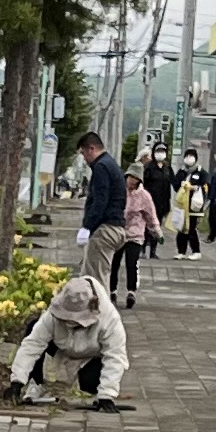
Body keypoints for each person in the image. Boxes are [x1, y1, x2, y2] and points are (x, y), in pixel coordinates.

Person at [5, 265, 131, 411]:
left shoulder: (110, 320)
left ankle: (94, 388)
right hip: (60, 348)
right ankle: (36, 383)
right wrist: (17, 381)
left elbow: (115, 356)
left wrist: (107, 395)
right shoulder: (52, 315)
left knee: (90, 383)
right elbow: (32, 344)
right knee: (33, 327)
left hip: (91, 357)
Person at [75, 128, 129, 304]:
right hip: (117, 228)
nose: (84, 158)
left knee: (94, 281)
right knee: (100, 275)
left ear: (91, 149)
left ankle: (102, 314)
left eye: (84, 153)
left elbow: (100, 201)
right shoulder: (112, 165)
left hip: (105, 229)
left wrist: (87, 227)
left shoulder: (101, 167)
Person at [112, 170, 157, 309]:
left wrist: (156, 231)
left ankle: (131, 292)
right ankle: (112, 291)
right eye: (131, 177)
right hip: (118, 232)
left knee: (131, 263)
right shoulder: (118, 191)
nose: (132, 181)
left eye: (136, 178)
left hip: (135, 234)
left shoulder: (144, 196)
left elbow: (150, 215)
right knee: (114, 263)